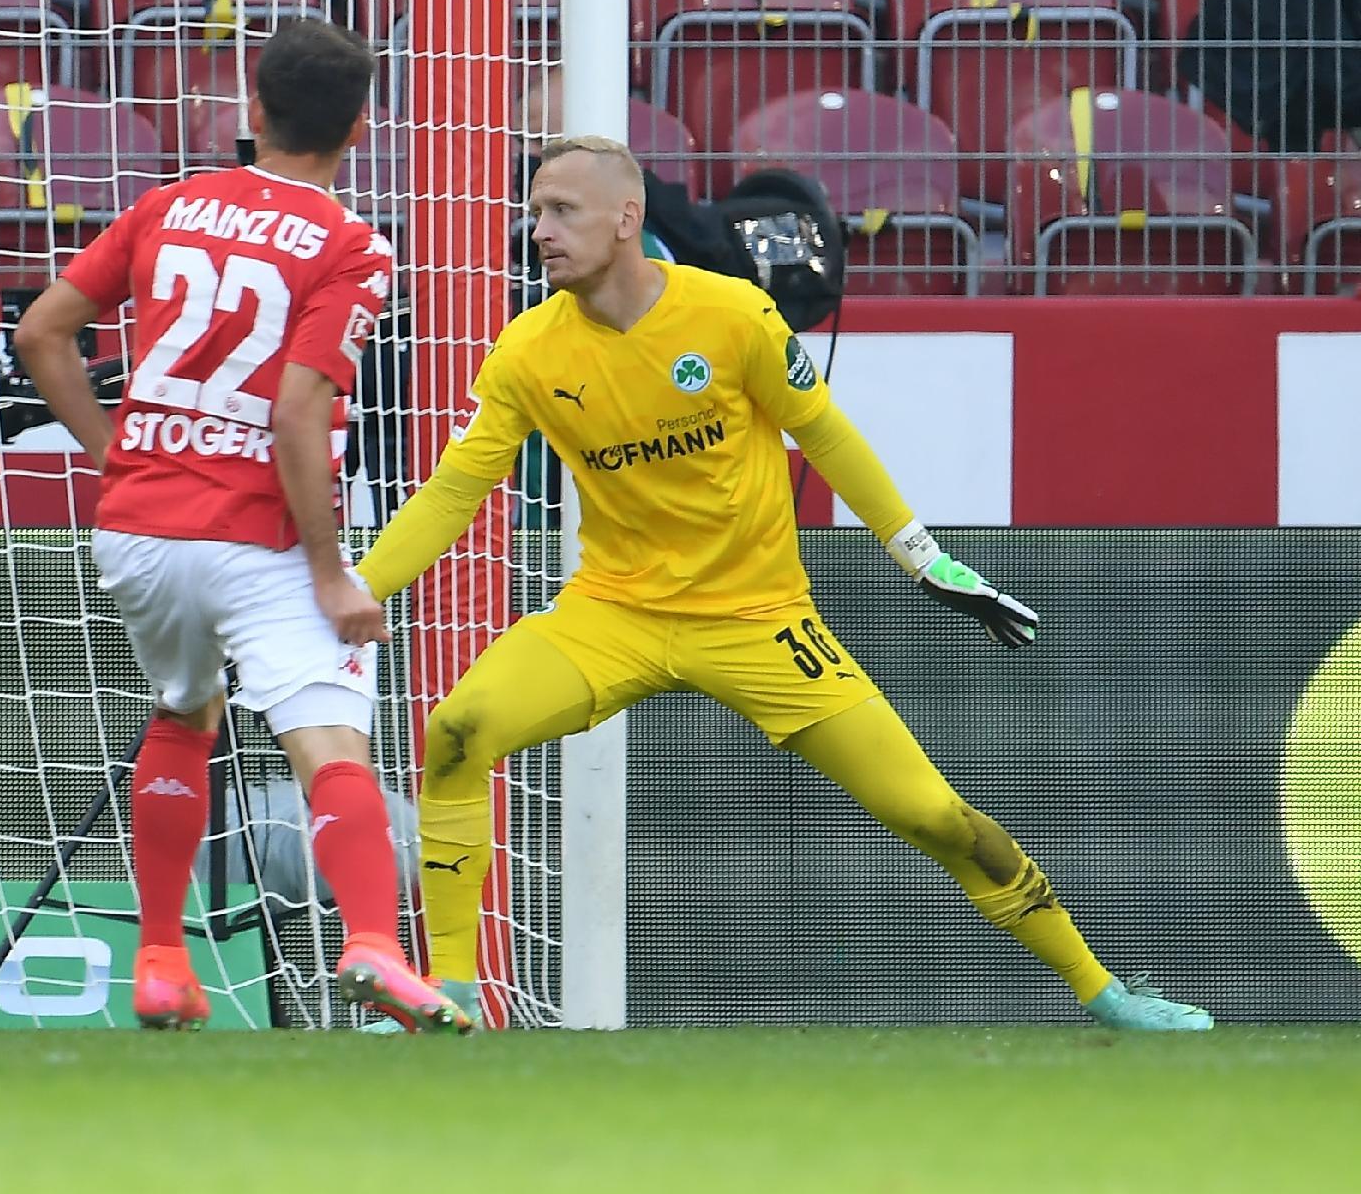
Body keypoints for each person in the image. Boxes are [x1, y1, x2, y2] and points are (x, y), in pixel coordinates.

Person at [360, 135, 1213, 1032]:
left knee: (932, 815)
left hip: (758, 620)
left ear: (625, 217)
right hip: (611, 613)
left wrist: (923, 555)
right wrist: (358, 587)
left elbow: (827, 434)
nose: (539, 231)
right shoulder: (529, 351)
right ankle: (448, 996)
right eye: (534, 213)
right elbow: (456, 491)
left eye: (561, 211)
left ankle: (1108, 994)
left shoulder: (731, 316)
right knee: (457, 729)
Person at [12, 19, 472, 1035]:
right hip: (258, 534)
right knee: (329, 737)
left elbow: (41, 333)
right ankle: (372, 945)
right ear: (360, 125)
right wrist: (329, 569)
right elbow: (299, 411)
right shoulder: (353, 245)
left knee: (183, 711)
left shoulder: (165, 206)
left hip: (138, 527)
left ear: (251, 110)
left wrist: (110, 450)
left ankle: (164, 963)